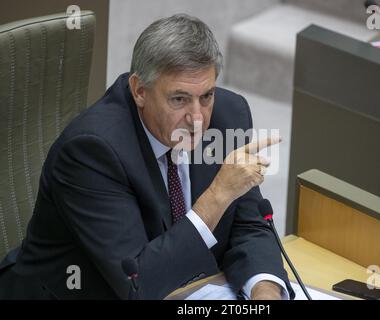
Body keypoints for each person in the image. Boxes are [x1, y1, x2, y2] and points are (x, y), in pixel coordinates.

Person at [0, 14, 293, 300]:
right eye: (179, 99)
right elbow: (137, 285)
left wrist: (264, 292)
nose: (197, 119)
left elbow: (250, 224)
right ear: (140, 91)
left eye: (206, 96)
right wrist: (217, 196)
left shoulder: (228, 117)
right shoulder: (92, 151)